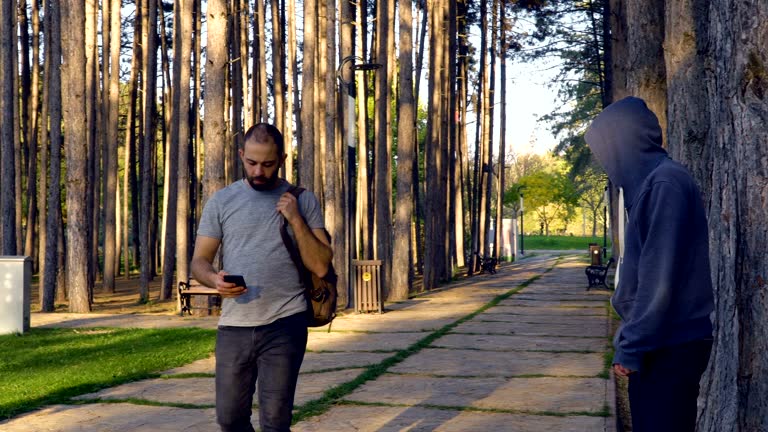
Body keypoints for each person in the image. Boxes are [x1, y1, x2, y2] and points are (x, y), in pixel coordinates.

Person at [191, 123, 332, 432]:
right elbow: (199, 262)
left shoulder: (303, 200)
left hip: (286, 322)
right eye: (251, 162)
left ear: (281, 159)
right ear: (241, 155)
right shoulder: (222, 201)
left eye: (267, 164)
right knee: (229, 419)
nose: (258, 170)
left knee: (275, 422)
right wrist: (214, 280)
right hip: (234, 326)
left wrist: (295, 219)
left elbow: (321, 265)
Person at [585, 96, 714, 432]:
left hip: (671, 344)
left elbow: (659, 280)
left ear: (624, 142)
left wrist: (631, 346)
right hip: (661, 341)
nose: (604, 161)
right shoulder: (651, 184)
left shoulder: (664, 184)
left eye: (606, 149)